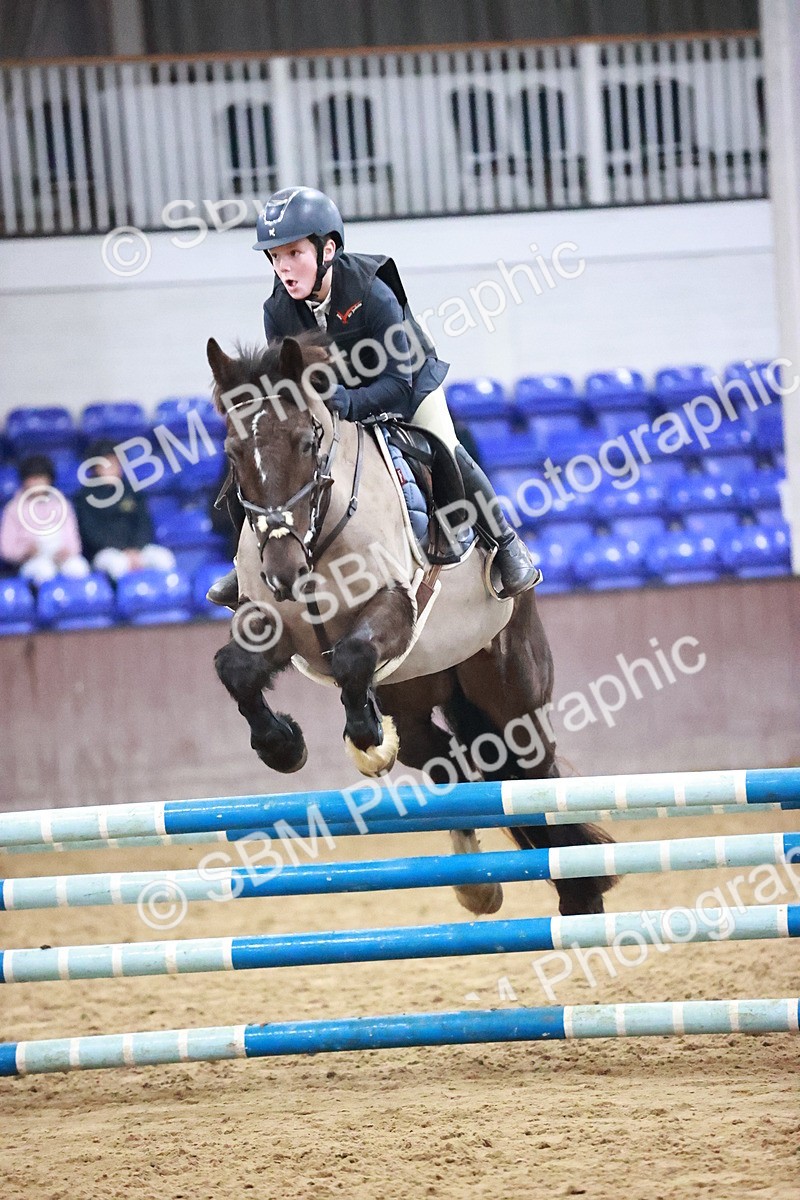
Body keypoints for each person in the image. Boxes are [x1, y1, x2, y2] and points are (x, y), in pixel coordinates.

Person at [208, 185, 537, 606]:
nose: (283, 268)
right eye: (275, 257)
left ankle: (506, 545)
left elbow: (398, 386)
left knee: (446, 448)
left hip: (406, 387)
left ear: (327, 249)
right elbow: (287, 390)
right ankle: (244, 568)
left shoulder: (373, 291)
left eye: (294, 254)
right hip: (334, 401)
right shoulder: (277, 310)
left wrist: (349, 402)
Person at [74, 440, 176, 580]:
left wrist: (136, 548)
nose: (112, 467)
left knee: (164, 558)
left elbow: (144, 524)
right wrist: (123, 550)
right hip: (106, 552)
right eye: (107, 463)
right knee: (118, 564)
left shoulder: (132, 491)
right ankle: (128, 600)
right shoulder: (85, 497)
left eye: (115, 462)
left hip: (138, 549)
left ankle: (164, 600)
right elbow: (90, 533)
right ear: (96, 467)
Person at [0, 454, 90, 585]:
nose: (37, 483)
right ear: (24, 481)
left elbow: (74, 543)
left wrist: (66, 552)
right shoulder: (12, 509)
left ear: (49, 479)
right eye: (33, 478)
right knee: (45, 571)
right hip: (31, 561)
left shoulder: (62, 504)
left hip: (61, 557)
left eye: (41, 478)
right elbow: (6, 549)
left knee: (79, 568)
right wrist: (25, 552)